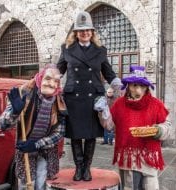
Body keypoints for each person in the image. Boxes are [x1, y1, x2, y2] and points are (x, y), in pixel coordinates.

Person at [56, 11, 121, 181]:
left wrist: (120, 84)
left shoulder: (100, 51)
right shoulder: (67, 49)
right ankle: (78, 168)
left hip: (94, 99)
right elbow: (58, 70)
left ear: (92, 32)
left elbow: (108, 72)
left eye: (88, 30)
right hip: (73, 98)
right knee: (76, 135)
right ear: (76, 33)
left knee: (91, 135)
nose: (85, 33)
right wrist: (44, 80)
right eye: (81, 30)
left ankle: (87, 168)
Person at [95, 65, 171, 190]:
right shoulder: (119, 103)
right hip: (127, 158)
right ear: (128, 86)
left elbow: (167, 126)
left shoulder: (156, 104)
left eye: (142, 86)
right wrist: (102, 111)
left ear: (147, 87)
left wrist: (158, 130)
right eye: (134, 85)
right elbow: (109, 125)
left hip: (148, 158)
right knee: (128, 186)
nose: (138, 90)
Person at [0, 64, 66, 190]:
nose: (52, 84)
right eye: (48, 79)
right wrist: (15, 112)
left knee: (41, 185)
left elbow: (60, 132)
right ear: (40, 78)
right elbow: (2, 125)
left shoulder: (59, 100)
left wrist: (37, 144)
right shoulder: (24, 93)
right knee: (25, 186)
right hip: (25, 150)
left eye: (56, 81)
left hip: (46, 151)